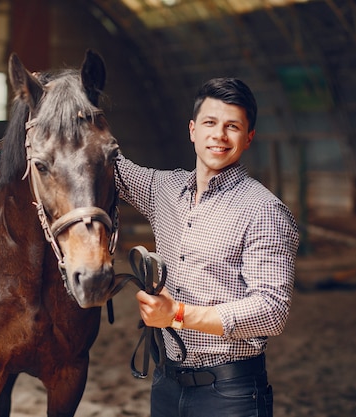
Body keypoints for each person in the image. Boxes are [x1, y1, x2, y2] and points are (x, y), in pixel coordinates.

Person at [115, 77, 299, 417]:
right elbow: (110, 166)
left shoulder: (263, 210)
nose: (219, 135)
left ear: (248, 138)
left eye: (233, 126)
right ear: (193, 130)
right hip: (167, 384)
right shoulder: (164, 189)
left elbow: (272, 311)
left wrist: (178, 315)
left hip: (230, 393)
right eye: (210, 123)